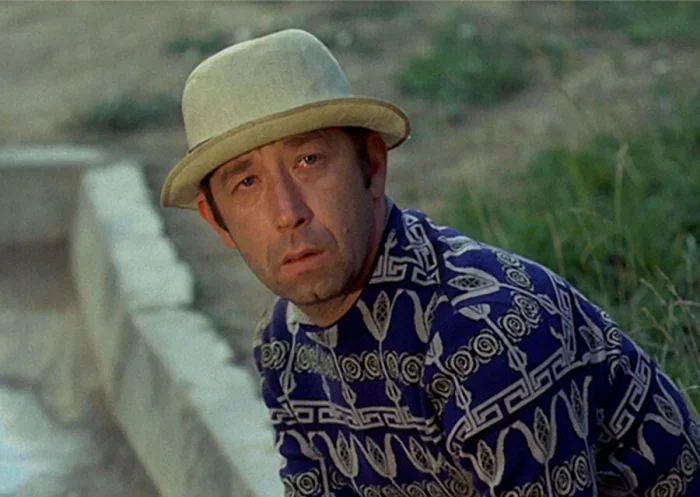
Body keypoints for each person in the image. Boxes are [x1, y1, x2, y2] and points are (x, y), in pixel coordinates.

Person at [161, 29, 700, 497]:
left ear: (372, 166)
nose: (287, 213)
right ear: (217, 221)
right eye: (246, 183)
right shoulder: (284, 343)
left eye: (309, 160)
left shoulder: (486, 332)